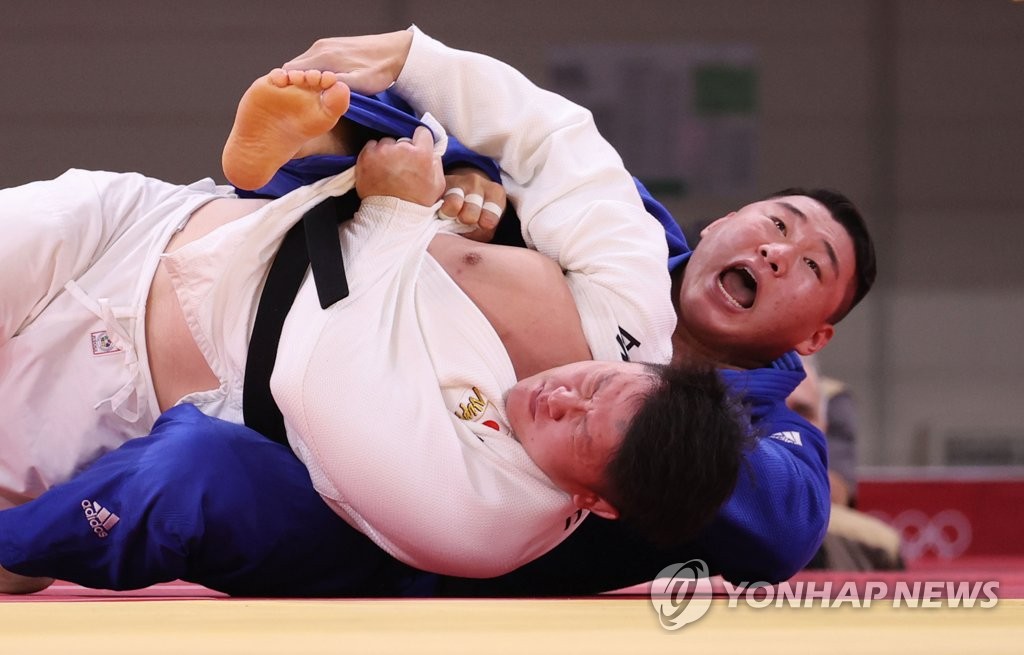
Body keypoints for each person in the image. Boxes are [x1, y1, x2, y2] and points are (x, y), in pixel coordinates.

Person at [2, 27, 877, 595]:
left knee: (202, 470)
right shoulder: (635, 281)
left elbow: (327, 375)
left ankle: (19, 547)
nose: (774, 251)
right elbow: (558, 139)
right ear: (723, 220)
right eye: (776, 223)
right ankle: (329, 130)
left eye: (809, 266)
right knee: (442, 157)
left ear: (815, 332)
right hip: (151, 223)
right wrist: (415, 60)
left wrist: (394, 213)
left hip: (141, 375)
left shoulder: (485, 503)